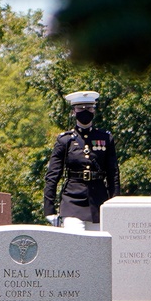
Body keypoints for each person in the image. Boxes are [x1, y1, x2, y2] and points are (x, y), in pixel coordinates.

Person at [43, 90, 120, 231]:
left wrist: (115, 204)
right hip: (72, 201)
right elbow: (53, 175)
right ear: (74, 111)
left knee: (98, 247)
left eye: (89, 108)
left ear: (94, 111)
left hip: (98, 201)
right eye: (80, 108)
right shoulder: (65, 140)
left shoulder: (105, 138)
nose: (85, 111)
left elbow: (113, 174)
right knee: (75, 245)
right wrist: (49, 209)